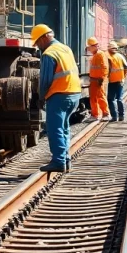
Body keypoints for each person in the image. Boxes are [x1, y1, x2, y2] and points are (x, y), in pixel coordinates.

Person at [32, 24, 81, 173]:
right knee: (64, 127)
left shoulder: (49, 53)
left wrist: (41, 97)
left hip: (59, 94)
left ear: (45, 37)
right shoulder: (65, 48)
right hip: (74, 93)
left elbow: (45, 80)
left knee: (54, 128)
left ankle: (59, 161)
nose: (38, 46)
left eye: (38, 42)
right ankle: (66, 159)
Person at [85, 37, 110, 123]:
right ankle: (95, 115)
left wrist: (101, 78)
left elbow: (104, 67)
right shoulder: (95, 55)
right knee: (93, 98)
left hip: (98, 80)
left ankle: (106, 114)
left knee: (100, 97)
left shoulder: (100, 54)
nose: (88, 49)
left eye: (89, 47)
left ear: (94, 46)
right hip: (94, 79)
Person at [106, 41, 127, 122]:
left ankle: (114, 116)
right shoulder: (120, 56)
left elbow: (106, 70)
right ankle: (121, 116)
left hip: (111, 81)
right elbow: (126, 67)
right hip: (120, 81)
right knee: (119, 99)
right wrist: (124, 77)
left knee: (111, 99)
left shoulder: (107, 57)